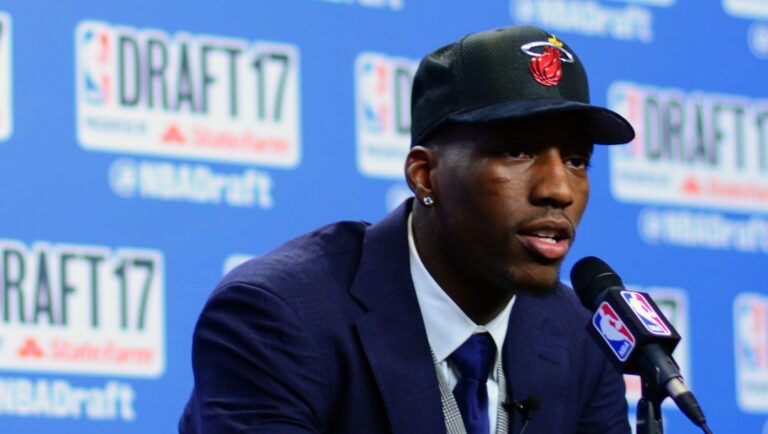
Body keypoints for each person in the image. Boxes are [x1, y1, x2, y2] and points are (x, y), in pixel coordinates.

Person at [179, 25, 635, 434]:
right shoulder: (279, 315)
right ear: (424, 175)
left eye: (577, 161)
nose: (559, 189)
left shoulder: (581, 338)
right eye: (517, 152)